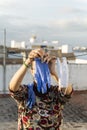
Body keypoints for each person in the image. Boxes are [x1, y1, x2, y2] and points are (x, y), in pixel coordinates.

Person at [9, 48, 73, 130]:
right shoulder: (26, 92)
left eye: (44, 67)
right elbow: (13, 88)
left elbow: (68, 91)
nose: (41, 71)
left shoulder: (55, 92)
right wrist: (27, 62)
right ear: (32, 71)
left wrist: (53, 72)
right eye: (37, 68)